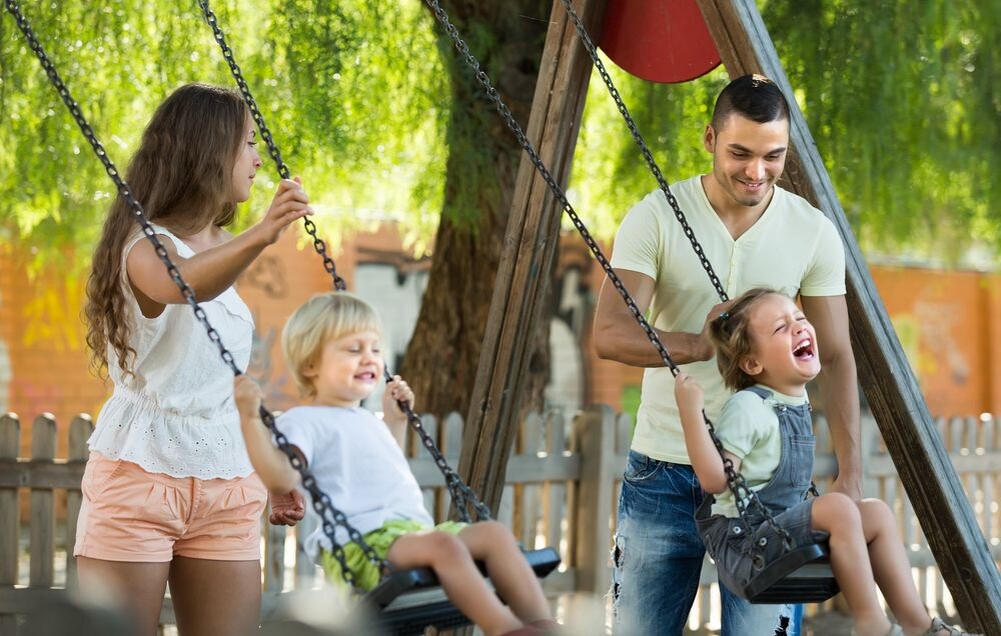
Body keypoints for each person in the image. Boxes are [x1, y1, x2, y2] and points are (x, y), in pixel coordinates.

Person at [591, 73, 861, 635]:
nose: (756, 171)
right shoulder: (656, 216)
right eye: (740, 153)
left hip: (769, 480)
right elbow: (610, 333)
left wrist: (852, 474)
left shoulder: (812, 231)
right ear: (710, 138)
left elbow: (835, 356)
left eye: (773, 156)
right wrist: (698, 343)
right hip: (663, 472)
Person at [77, 82, 312, 635]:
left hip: (225, 483)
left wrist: (268, 468)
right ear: (209, 150)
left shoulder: (220, 247)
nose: (258, 159)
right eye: (247, 143)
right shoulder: (143, 244)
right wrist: (264, 233)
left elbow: (218, 385)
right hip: (141, 475)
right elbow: (181, 283)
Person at [233, 291, 560, 636]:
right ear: (311, 364)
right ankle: (507, 630)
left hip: (409, 533)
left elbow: (385, 467)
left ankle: (543, 626)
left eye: (375, 349)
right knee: (445, 546)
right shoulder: (303, 422)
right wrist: (250, 420)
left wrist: (395, 419)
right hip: (363, 545)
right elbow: (281, 478)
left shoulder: (367, 419)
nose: (369, 358)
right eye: (354, 349)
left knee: (494, 534)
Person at [674, 288, 981, 636]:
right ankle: (871, 625)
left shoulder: (794, 398)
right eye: (781, 327)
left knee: (876, 513)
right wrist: (691, 414)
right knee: (837, 507)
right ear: (753, 364)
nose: (798, 327)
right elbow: (715, 480)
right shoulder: (748, 407)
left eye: (799, 318)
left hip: (780, 534)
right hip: (746, 546)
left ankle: (921, 627)